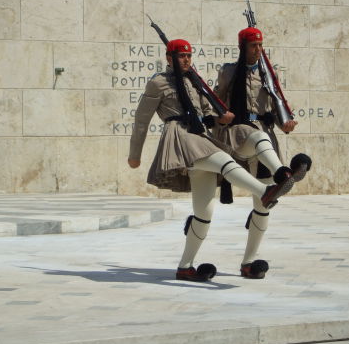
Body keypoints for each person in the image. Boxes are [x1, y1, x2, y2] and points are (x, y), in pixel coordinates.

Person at [128, 38, 295, 282]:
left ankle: (185, 267)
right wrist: (135, 154)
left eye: (188, 55)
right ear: (168, 58)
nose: (186, 60)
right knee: (224, 161)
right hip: (180, 137)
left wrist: (221, 118)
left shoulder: (195, 82)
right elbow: (141, 120)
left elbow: (208, 112)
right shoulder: (158, 83)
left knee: (203, 212)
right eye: (181, 56)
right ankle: (264, 191)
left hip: (200, 137)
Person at [214, 27, 312, 279]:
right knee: (258, 139)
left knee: (263, 204)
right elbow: (216, 102)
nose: (258, 50)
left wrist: (285, 123)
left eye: (260, 46)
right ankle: (283, 172)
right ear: (242, 48)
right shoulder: (229, 72)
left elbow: (276, 104)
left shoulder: (267, 74)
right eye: (253, 46)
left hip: (265, 134)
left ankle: (248, 262)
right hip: (238, 134)